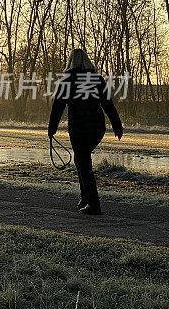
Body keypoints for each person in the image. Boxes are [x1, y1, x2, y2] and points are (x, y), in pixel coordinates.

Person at [48, 49, 123, 215]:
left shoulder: (67, 80)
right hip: (97, 128)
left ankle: (94, 204)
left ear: (70, 62)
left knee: (83, 163)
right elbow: (107, 104)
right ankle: (85, 198)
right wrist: (117, 126)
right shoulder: (96, 79)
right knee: (81, 159)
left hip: (78, 128)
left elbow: (58, 106)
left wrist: (51, 129)